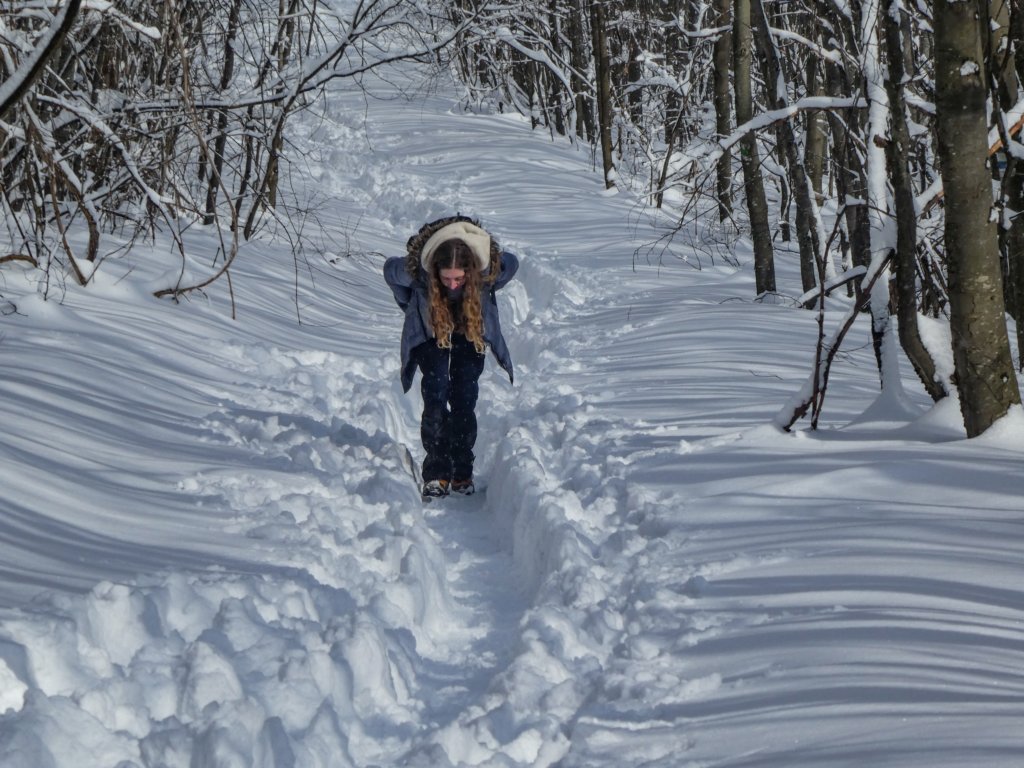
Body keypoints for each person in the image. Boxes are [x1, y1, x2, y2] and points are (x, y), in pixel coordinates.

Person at [383, 216, 519, 498]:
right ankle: (436, 472)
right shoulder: (418, 272)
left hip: (470, 332)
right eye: (446, 279)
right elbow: (389, 271)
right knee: (435, 395)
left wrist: (491, 275)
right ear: (435, 271)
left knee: (464, 398)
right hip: (433, 331)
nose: (454, 285)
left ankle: (461, 472)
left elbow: (512, 263)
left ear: (471, 271)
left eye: (460, 279)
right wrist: (410, 303)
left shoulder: (486, 271)